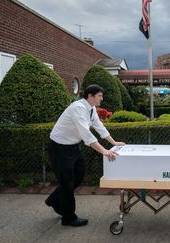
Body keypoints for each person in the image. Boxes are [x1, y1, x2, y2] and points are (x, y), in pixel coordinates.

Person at [45, 84, 125, 227]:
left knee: (79, 175)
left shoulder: (91, 109)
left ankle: (54, 199)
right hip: (59, 147)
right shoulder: (78, 108)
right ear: (90, 96)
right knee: (67, 182)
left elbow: (99, 126)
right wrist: (104, 151)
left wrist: (114, 142)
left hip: (73, 146)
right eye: (99, 96)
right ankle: (68, 218)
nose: (102, 98)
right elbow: (86, 134)